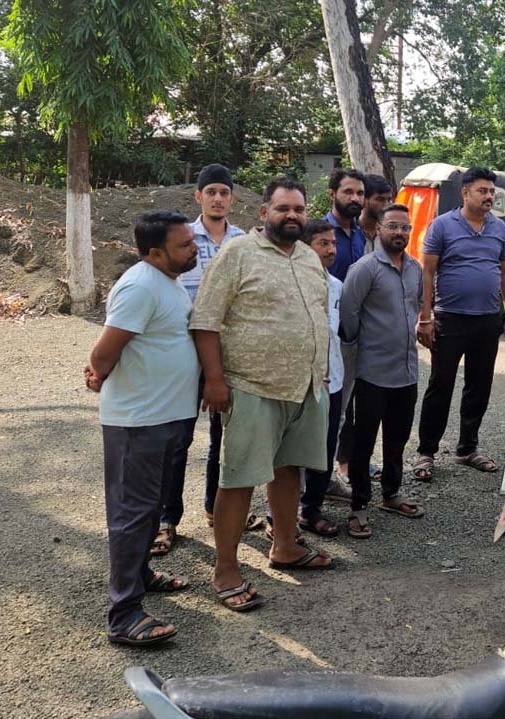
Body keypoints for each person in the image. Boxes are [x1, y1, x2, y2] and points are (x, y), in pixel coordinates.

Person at [191, 177, 335, 613]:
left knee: (289, 470)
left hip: (305, 386)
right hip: (251, 385)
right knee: (238, 478)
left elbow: (317, 317)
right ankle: (226, 569)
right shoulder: (237, 253)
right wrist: (214, 381)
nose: (292, 215)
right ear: (263, 212)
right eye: (282, 208)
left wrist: (320, 368)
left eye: (298, 209)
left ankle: (285, 547)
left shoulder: (310, 257)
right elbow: (205, 320)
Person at [85, 211, 199, 646]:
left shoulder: (166, 281)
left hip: (168, 416)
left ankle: (142, 574)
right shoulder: (138, 286)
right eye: (185, 244)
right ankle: (124, 614)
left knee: (150, 506)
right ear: (155, 252)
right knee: (131, 514)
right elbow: (103, 354)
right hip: (138, 421)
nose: (193, 249)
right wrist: (97, 372)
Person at [156, 163, 249, 556]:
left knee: (223, 437)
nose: (217, 198)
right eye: (210, 191)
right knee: (177, 439)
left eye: (224, 192)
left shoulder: (244, 241)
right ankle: (166, 519)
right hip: (183, 354)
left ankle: (215, 507)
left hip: (227, 355)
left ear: (232, 198)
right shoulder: (182, 237)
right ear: (198, 196)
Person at [414, 167, 505, 480]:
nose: (488, 197)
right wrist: (425, 318)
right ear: (465, 193)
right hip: (449, 320)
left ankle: (466, 449)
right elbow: (427, 272)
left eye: (491, 192)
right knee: (440, 384)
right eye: (482, 191)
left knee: (479, 386)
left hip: (486, 321)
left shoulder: (498, 228)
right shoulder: (442, 226)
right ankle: (426, 452)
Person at [340, 204, 426, 538]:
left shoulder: (415, 268)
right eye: (393, 226)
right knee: (364, 441)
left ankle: (391, 494)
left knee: (398, 438)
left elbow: (415, 308)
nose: (400, 233)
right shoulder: (365, 268)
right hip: (372, 372)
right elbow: (349, 312)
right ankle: (359, 505)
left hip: (406, 372)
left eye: (405, 228)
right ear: (378, 229)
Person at [295, 219, 346, 535]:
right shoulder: (292, 283)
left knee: (325, 448)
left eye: (333, 244)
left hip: (333, 380)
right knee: (291, 453)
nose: (330, 250)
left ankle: (311, 509)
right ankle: (280, 517)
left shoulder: (337, 286)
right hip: (299, 381)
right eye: (322, 243)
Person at [325, 168, 366, 496]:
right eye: (348, 192)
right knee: (320, 415)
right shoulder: (320, 233)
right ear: (332, 194)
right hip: (322, 338)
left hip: (350, 337)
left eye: (359, 193)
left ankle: (328, 479)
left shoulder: (361, 236)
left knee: (340, 414)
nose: (355, 198)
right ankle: (306, 488)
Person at [359, 174, 394, 255]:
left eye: (389, 200)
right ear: (364, 199)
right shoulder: (351, 232)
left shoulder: (389, 233)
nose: (386, 205)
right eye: (380, 199)